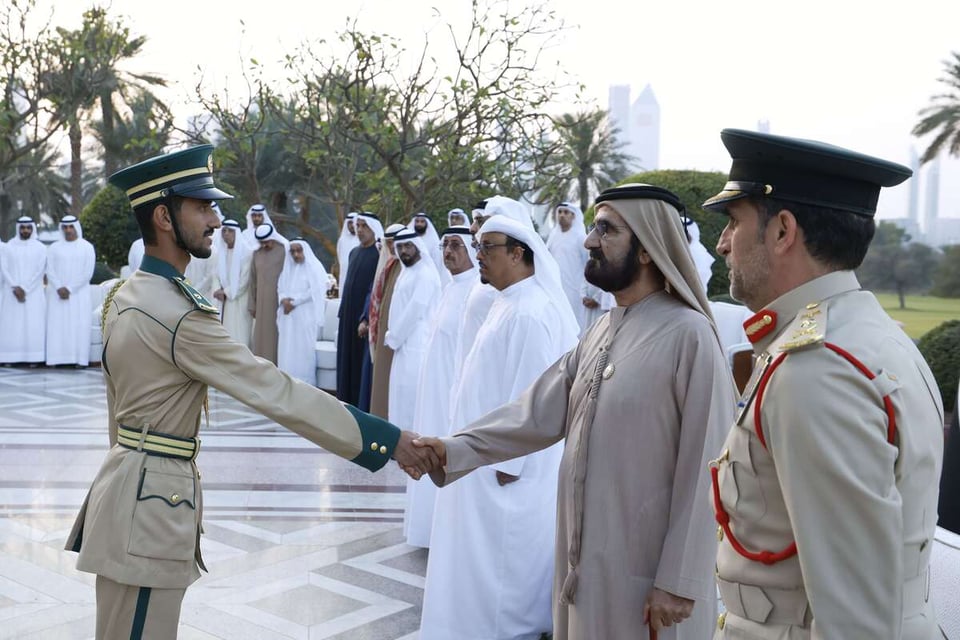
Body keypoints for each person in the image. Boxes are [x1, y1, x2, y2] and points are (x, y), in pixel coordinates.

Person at [65, 145, 436, 640]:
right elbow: (275, 390)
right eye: (203, 207)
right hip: (150, 511)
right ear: (162, 216)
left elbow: (120, 414)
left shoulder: (122, 295)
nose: (216, 219)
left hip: (120, 493)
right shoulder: (179, 315)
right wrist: (384, 440)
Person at [410, 184, 733, 640]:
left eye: (606, 230)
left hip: (648, 585)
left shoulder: (690, 336)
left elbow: (708, 467)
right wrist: (450, 450)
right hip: (584, 567)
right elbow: (534, 413)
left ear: (647, 249)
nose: (589, 241)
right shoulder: (602, 329)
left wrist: (679, 580)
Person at [703, 128, 943, 638]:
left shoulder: (817, 369)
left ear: (783, 231)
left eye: (733, 221)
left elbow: (853, 618)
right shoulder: (869, 335)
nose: (723, 243)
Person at [417, 215, 580, 640]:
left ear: (518, 252)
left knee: (504, 573)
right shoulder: (507, 302)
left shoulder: (531, 312)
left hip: (505, 472)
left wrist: (511, 467)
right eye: (478, 246)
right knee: (475, 568)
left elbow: (530, 401)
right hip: (482, 460)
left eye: (488, 247)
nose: (479, 256)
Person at [405, 225, 477, 548]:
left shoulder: (477, 292)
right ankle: (426, 531)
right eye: (445, 245)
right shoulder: (451, 288)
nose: (448, 252)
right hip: (432, 395)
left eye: (457, 246)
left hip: (451, 399)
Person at [385, 228, 442, 428]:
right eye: (399, 247)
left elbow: (414, 310)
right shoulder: (408, 272)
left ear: (417, 246)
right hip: (404, 344)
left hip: (418, 343)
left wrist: (394, 336)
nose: (404, 251)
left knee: (411, 396)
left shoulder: (425, 274)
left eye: (408, 246)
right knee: (400, 394)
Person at [336, 212, 382, 406]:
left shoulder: (378, 254)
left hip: (363, 319)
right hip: (347, 315)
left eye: (365, 226)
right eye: (359, 226)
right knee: (345, 361)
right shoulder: (354, 252)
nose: (360, 230)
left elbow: (375, 290)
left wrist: (366, 319)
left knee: (358, 365)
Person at [45, 215, 96, 367]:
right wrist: (59, 286)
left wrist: (69, 288)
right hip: (57, 294)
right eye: (65, 227)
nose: (68, 230)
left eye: (71, 227)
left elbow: (87, 272)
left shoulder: (87, 247)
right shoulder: (54, 247)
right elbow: (50, 270)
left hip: (79, 296)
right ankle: (56, 360)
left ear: (76, 228)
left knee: (78, 327)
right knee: (58, 327)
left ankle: (79, 360)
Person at [364, 223, 404, 417]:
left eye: (393, 243)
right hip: (385, 334)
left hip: (399, 339)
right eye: (388, 243)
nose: (392, 248)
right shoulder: (390, 265)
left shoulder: (407, 269)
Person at [277, 238, 328, 385]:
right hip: (288, 315)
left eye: (299, 250)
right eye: (292, 251)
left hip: (305, 315)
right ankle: (286, 381)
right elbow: (279, 288)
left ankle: (305, 383)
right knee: (287, 349)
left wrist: (294, 302)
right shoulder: (288, 268)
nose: (296, 254)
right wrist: (283, 300)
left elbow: (316, 289)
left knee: (303, 349)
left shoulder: (313, 267)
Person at [0, 216, 47, 365]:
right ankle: (9, 358)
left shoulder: (40, 248)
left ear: (32, 228)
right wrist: (15, 286)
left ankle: (34, 358)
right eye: (22, 227)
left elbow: (40, 270)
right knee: (11, 326)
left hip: (33, 294)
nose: (25, 230)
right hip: (11, 293)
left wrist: (25, 288)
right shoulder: (9, 246)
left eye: (28, 227)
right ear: (18, 228)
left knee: (33, 325)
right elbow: (4, 268)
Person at [247, 223, 288, 364]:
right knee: (260, 337)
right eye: (262, 242)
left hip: (278, 303)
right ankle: (260, 367)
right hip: (260, 304)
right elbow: (252, 281)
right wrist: (252, 304)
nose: (265, 245)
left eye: (267, 241)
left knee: (275, 336)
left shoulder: (284, 251)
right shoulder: (256, 254)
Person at [546, 201, 589, 333]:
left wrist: (585, 290)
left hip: (576, 291)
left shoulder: (580, 237)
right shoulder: (553, 236)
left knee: (575, 324)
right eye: (559, 212)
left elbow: (588, 263)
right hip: (556, 289)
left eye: (566, 212)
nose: (562, 215)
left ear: (573, 216)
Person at [212, 219, 253, 348]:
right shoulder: (220, 252)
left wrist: (226, 292)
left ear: (237, 233)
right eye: (224, 230)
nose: (226, 234)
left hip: (239, 300)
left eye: (230, 231)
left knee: (239, 334)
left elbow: (244, 281)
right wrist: (218, 290)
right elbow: (215, 275)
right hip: (223, 300)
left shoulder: (247, 253)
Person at [410, 212, 448, 286]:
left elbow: (437, 263)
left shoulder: (434, 241)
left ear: (427, 224)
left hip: (429, 278)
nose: (419, 224)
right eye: (417, 221)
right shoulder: (409, 241)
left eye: (422, 222)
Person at [336, 212, 360, 293]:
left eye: (354, 222)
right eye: (350, 223)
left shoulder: (362, 239)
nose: (352, 225)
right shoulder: (342, 240)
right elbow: (340, 259)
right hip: (344, 275)